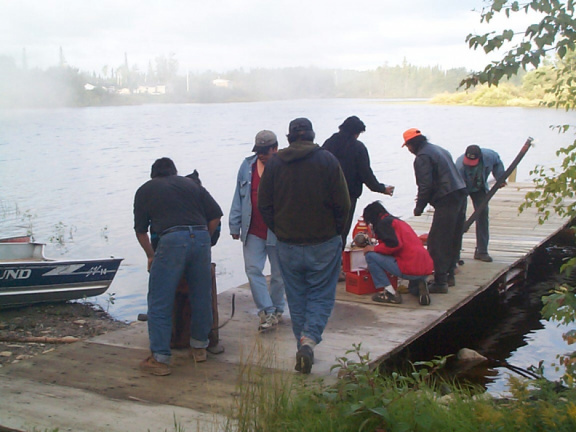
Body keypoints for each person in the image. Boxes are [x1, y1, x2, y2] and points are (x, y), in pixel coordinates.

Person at [258, 117, 351, 374]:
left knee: (296, 297)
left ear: (288, 138)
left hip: (287, 243)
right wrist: (337, 232)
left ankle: (302, 346)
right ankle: (308, 341)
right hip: (323, 242)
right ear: (312, 136)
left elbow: (264, 204)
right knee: (321, 295)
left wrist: (280, 229)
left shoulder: (275, 164)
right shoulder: (327, 160)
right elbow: (343, 203)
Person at [134, 157, 223, 376]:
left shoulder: (146, 189)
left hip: (171, 239)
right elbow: (216, 216)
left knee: (159, 300)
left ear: (153, 174)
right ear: (174, 172)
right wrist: (204, 240)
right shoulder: (191, 184)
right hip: (201, 237)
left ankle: (160, 359)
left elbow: (141, 231)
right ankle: (200, 348)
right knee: (201, 296)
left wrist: (151, 256)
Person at [229, 130, 285, 331]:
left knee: (279, 274)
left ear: (275, 148)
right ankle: (267, 311)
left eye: (265, 151)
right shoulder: (247, 166)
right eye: (258, 150)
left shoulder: (284, 166)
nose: (261, 154)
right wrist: (234, 224)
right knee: (253, 270)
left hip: (278, 232)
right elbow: (239, 196)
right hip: (252, 229)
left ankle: (278, 308)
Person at [402, 128, 467, 293]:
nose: (409, 151)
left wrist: (419, 207)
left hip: (446, 198)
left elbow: (425, 185)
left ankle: (440, 282)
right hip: (460, 193)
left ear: (411, 145)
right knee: (453, 235)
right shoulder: (439, 149)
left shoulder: (422, 157)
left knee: (437, 241)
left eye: (408, 147)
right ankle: (450, 274)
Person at [322, 115, 395, 248]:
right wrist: (382, 188)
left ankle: (324, 262)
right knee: (342, 231)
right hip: (348, 196)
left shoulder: (328, 144)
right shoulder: (358, 147)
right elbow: (366, 174)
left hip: (326, 195)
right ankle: (338, 261)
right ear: (356, 132)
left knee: (325, 231)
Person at [361, 201, 434, 306]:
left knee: (370, 256)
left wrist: (373, 248)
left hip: (409, 267)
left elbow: (394, 245)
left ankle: (390, 293)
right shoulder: (398, 222)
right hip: (426, 266)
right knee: (413, 290)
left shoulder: (383, 224)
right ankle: (420, 283)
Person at [456, 145, 506, 263]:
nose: (470, 164)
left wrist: (500, 177)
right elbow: (456, 186)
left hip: (480, 188)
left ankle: (481, 251)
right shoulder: (459, 166)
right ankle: (455, 254)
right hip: (462, 188)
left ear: (480, 158)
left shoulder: (490, 156)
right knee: (458, 218)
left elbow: (497, 163)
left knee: (483, 216)